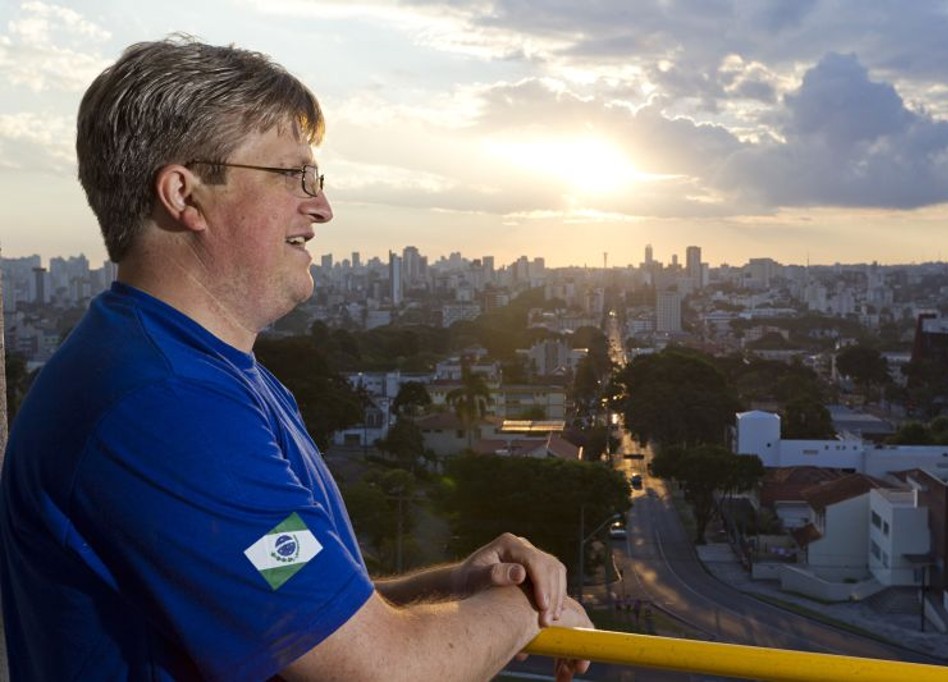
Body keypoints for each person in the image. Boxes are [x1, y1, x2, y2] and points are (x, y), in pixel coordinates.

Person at [0, 36, 592, 681]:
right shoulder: (162, 405)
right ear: (185, 195)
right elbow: (381, 675)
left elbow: (310, 629)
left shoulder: (207, 374)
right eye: (294, 176)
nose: (321, 208)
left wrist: (458, 586)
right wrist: (528, 610)